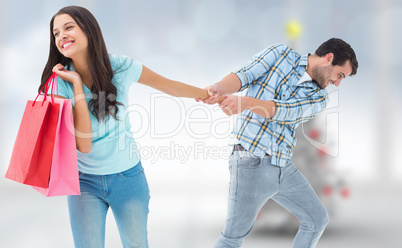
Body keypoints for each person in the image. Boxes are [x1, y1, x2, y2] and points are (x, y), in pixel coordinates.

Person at [39, 5, 207, 248]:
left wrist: (212, 95)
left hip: (127, 178)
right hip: (84, 182)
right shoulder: (61, 83)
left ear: (88, 29)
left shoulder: (121, 67)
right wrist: (76, 84)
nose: (61, 36)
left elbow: (172, 87)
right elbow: (83, 145)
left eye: (68, 27)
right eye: (55, 33)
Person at [199, 38, 358, 248]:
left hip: (283, 167)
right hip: (250, 161)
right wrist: (218, 88)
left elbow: (285, 111)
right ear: (328, 59)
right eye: (340, 75)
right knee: (232, 238)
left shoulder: (319, 98)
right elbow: (243, 76)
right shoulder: (279, 54)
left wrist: (245, 103)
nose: (337, 83)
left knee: (317, 219)